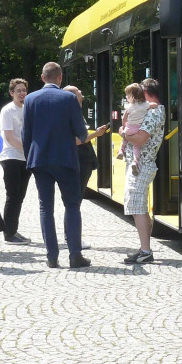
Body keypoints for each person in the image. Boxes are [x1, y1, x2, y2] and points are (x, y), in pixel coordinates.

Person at [22, 62, 91, 269]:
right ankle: (75, 255)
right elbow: (81, 132)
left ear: (43, 78)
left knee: (46, 208)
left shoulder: (30, 99)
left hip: (40, 160)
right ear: (60, 78)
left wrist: (30, 159)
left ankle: (51, 256)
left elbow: (26, 133)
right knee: (72, 205)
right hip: (66, 159)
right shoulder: (69, 98)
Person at [119, 77, 166, 265]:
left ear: (145, 93)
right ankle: (145, 249)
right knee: (140, 207)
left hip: (142, 165)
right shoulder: (150, 109)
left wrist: (123, 133)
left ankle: (145, 251)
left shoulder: (155, 111)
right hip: (139, 163)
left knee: (137, 207)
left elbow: (140, 139)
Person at [63, 85, 109, 250]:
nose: (82, 93)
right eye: (79, 91)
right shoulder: (70, 114)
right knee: (74, 202)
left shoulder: (75, 112)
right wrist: (96, 134)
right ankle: (73, 238)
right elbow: (75, 140)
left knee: (75, 202)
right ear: (73, 97)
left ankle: (72, 236)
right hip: (79, 161)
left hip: (83, 160)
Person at [0, 78, 31, 245]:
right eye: (18, 91)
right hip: (11, 156)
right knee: (13, 196)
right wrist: (29, 149)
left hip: (24, 157)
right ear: (11, 93)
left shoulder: (27, 109)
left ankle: (14, 230)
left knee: (20, 196)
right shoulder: (7, 110)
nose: (21, 93)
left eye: (24, 90)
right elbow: (10, 137)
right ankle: (8, 233)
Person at [116, 83, 154, 175]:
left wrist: (124, 127)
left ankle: (121, 150)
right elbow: (153, 105)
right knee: (136, 146)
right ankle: (135, 161)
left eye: (127, 95)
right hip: (138, 129)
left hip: (129, 128)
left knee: (125, 137)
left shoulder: (128, 107)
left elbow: (124, 118)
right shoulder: (145, 105)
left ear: (132, 96)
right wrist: (154, 105)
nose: (126, 96)